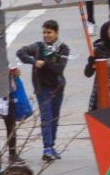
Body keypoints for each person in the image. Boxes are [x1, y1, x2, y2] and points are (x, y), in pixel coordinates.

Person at [14, 19, 69, 161]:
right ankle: (46, 148)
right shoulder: (38, 47)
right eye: (44, 32)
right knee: (46, 117)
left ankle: (51, 145)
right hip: (42, 88)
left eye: (49, 32)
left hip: (57, 87)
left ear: (56, 33)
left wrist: (45, 62)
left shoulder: (63, 48)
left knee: (54, 118)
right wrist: (34, 61)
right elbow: (21, 52)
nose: (46, 35)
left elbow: (59, 68)